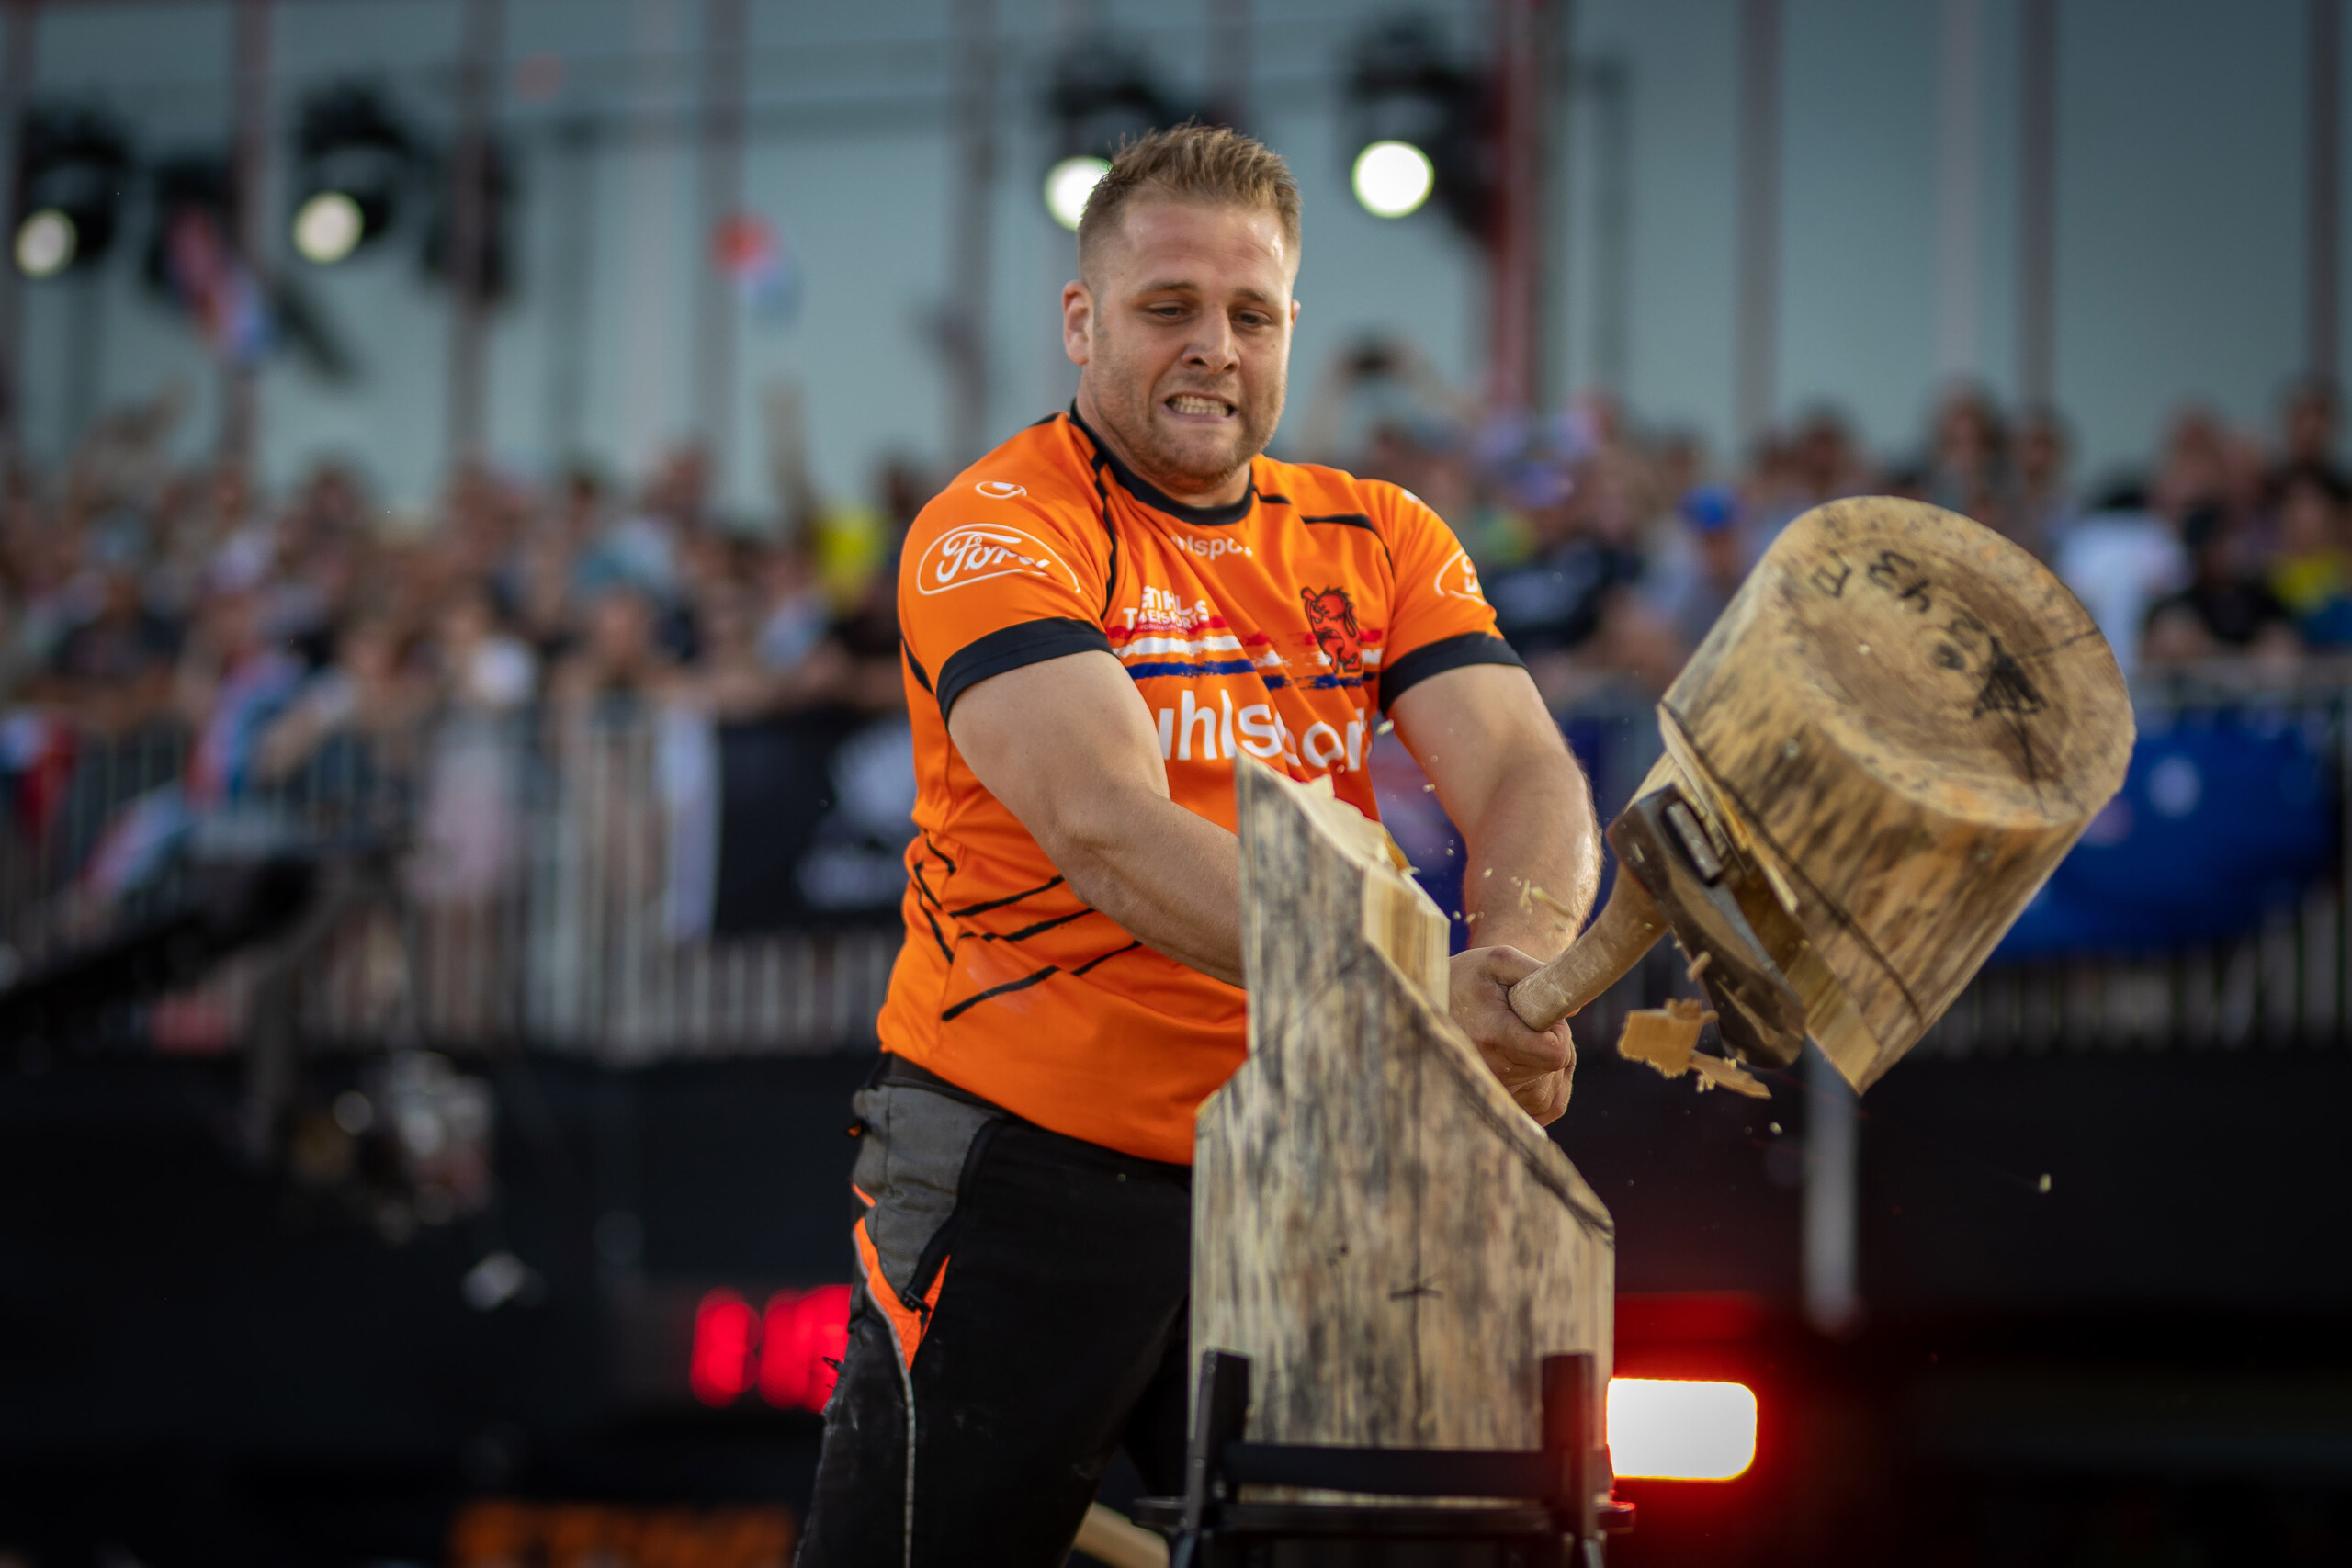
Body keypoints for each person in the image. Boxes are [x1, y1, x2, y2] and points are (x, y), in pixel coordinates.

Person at [798, 126, 1599, 1566]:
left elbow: (1527, 767)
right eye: (1169, 307)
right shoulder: (993, 529)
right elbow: (1107, 831)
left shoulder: (1382, 533)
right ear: (1082, 320)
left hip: (1307, 1158)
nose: (1214, 347)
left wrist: (1525, 953)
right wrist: (1423, 997)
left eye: (1253, 313)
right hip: (1024, 1155)